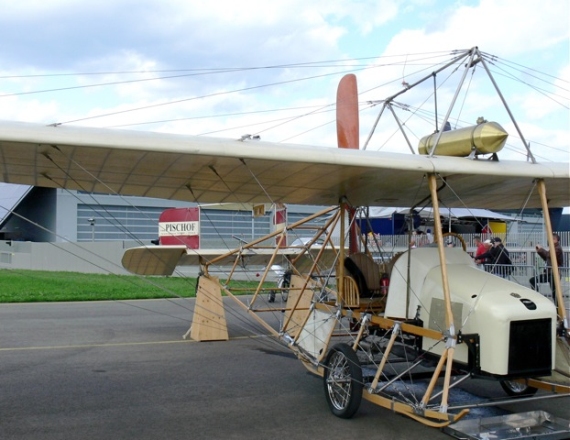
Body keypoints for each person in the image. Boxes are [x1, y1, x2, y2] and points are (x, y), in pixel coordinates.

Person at [529, 233, 563, 302]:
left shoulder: (557, 248)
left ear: (555, 240)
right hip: (549, 273)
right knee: (532, 280)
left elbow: (550, 255)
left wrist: (541, 249)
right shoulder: (553, 248)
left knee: (554, 293)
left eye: (550, 239)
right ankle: (538, 297)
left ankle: (558, 308)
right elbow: (547, 257)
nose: (548, 241)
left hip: (554, 274)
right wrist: (539, 251)